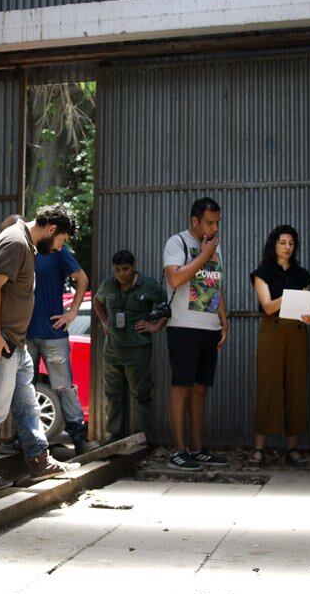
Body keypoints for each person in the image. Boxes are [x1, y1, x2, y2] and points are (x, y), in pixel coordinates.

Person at [0, 204, 82, 490]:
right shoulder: (16, 242)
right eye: (61, 240)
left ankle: (38, 460)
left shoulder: (24, 242)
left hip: (14, 342)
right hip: (0, 339)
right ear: (51, 229)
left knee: (26, 402)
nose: (60, 246)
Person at [162, 198, 230, 471]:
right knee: (182, 387)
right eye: (209, 222)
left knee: (201, 390)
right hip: (183, 326)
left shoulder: (215, 246)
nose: (214, 227)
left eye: (217, 222)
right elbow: (175, 279)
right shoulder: (176, 243)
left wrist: (223, 321)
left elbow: (215, 285)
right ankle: (178, 451)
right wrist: (203, 254)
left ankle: (197, 448)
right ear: (195, 221)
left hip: (209, 326)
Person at [22, 218, 97, 456]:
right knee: (24, 386)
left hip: (53, 332)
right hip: (24, 332)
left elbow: (82, 278)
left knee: (64, 386)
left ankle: (79, 438)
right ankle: (25, 440)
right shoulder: (23, 247)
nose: (60, 243)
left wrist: (73, 312)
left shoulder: (58, 251)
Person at [249, 225, 310, 467]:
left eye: (291, 243)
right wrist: (289, 296)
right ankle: (258, 449)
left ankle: (293, 449)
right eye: (283, 243)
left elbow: (306, 309)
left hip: (297, 333)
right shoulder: (262, 272)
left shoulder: (302, 274)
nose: (287, 247)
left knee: (296, 388)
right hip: (272, 331)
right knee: (268, 385)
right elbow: (267, 306)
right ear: (273, 245)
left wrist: (309, 316)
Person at [93, 250, 168, 442]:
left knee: (140, 395)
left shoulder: (148, 285)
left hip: (138, 349)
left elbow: (166, 308)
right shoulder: (108, 285)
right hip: (113, 349)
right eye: (117, 269)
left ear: (133, 267)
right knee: (113, 395)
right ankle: (116, 437)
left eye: (125, 269)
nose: (121, 274)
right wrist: (104, 322)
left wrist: (155, 326)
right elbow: (97, 301)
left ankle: (142, 439)